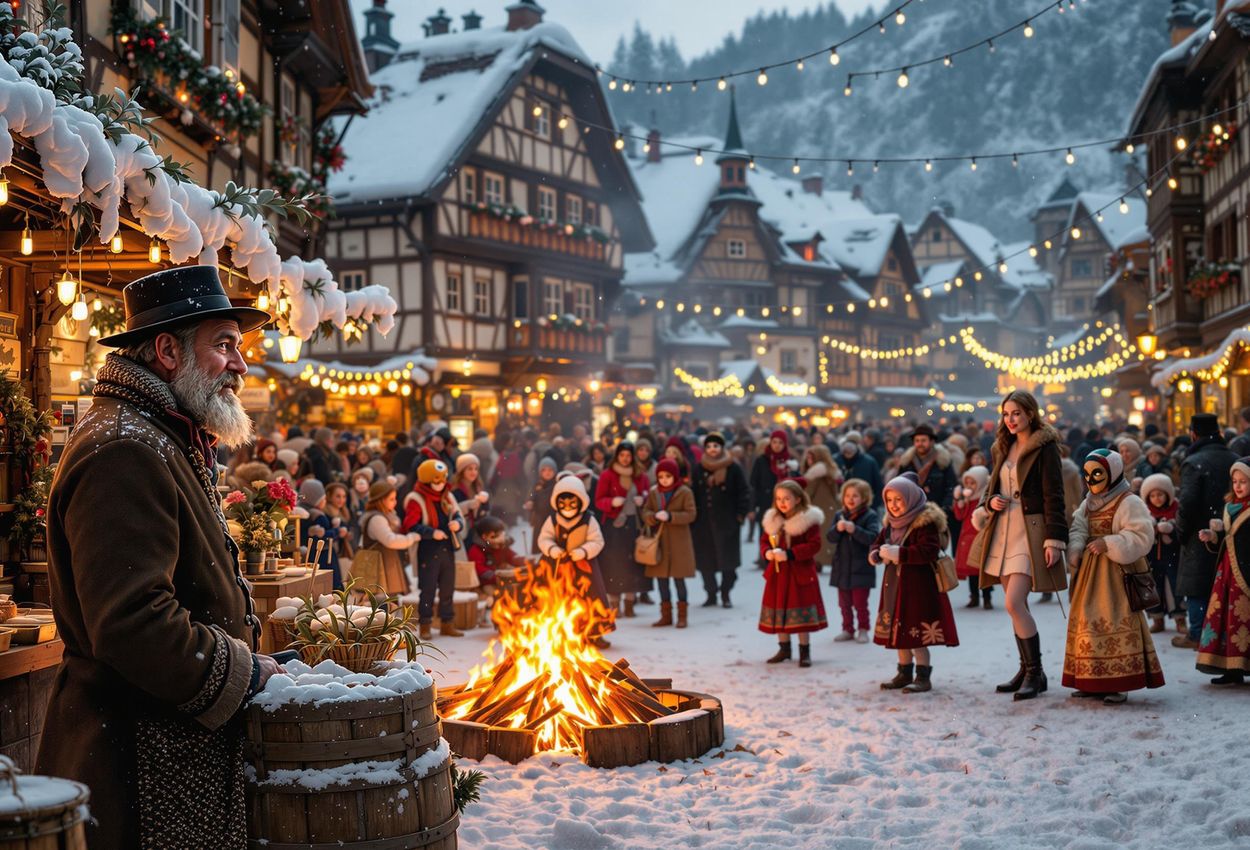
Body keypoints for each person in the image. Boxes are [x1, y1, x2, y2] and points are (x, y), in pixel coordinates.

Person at [37, 265, 277, 848]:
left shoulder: (156, 434)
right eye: (224, 345)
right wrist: (245, 672)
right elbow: (133, 623)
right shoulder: (125, 447)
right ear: (167, 351)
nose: (240, 365)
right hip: (133, 767)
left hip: (156, 749)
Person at [969, 391, 1068, 701]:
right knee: (1016, 608)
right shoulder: (1003, 446)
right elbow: (991, 487)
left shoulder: (1045, 448)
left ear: (1029, 413)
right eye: (1006, 413)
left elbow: (1055, 495)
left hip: (1031, 530)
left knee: (1014, 603)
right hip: (1003, 529)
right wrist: (990, 503)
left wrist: (1055, 539)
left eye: (1016, 413)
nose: (1010, 419)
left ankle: (1036, 672)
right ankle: (1026, 669)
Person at [1063, 449, 1165, 704]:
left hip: (1117, 576)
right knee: (1088, 623)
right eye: (1087, 474)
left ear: (1113, 473)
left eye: (1097, 473)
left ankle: (1119, 682)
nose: (1091, 479)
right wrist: (1076, 549)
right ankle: (1091, 680)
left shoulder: (1129, 502)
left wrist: (1109, 543)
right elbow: (1078, 526)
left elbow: (1142, 535)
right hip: (1090, 574)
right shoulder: (1088, 502)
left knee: (1115, 619)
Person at [869, 474, 959, 693]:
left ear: (911, 499)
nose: (894, 505)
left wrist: (901, 553)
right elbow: (878, 543)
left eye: (898, 500)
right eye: (889, 500)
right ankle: (904, 672)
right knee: (899, 634)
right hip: (895, 587)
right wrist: (876, 554)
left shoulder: (924, 524)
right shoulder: (890, 525)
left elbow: (928, 551)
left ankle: (922, 675)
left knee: (916, 634)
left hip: (918, 589)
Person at [1175, 413, 1238, 649]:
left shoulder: (1194, 461)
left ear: (1193, 433)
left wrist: (1182, 531)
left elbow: (1187, 503)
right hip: (1231, 531)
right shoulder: (1234, 457)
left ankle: (1197, 633)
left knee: (1196, 585)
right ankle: (1220, 635)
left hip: (1198, 534)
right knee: (1222, 586)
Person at [537, 473, 614, 648]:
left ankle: (595, 633)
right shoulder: (552, 519)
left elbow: (597, 541)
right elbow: (544, 538)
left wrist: (583, 551)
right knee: (558, 599)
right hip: (557, 567)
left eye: (572, 503)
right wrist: (552, 549)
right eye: (563, 504)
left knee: (591, 600)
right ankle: (561, 633)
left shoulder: (589, 519)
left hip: (584, 568)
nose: (567, 508)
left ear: (580, 501)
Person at [760, 480, 828, 668]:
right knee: (780, 609)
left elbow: (814, 545)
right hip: (778, 574)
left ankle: (804, 650)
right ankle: (784, 648)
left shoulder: (807, 520)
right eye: (779, 498)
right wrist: (767, 552)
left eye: (787, 498)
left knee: (799, 611)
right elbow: (765, 541)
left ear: (798, 499)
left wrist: (790, 554)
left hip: (799, 573)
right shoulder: (773, 520)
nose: (782, 502)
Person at [1194, 456, 1250, 684]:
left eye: (1244, 481)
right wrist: (1213, 536)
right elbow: (1227, 540)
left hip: (1245, 572)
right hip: (1226, 572)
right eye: (1235, 481)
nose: (1237, 485)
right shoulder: (1229, 507)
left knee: (1244, 618)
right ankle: (1231, 668)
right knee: (1226, 618)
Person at [403, 458, 465, 639]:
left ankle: (447, 622)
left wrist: (457, 524)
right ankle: (425, 624)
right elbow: (410, 525)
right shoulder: (416, 498)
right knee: (428, 588)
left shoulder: (447, 495)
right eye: (436, 480)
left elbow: (458, 514)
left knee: (448, 587)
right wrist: (431, 532)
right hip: (428, 549)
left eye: (442, 479)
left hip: (447, 547)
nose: (440, 484)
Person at [691, 432, 751, 608]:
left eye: (716, 446)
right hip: (703, 524)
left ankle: (726, 593)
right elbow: (693, 493)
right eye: (709, 446)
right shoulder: (699, 468)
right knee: (705, 563)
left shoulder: (733, 468)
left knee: (728, 563)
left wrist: (740, 515)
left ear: (722, 448)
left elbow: (744, 492)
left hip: (727, 522)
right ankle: (711, 593)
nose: (712, 449)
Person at [595, 441, 650, 616]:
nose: (625, 459)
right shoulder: (607, 475)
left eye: (628, 456)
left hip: (635, 525)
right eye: (622, 455)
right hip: (614, 527)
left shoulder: (640, 475)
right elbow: (598, 500)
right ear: (617, 456)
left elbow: (648, 495)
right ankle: (614, 603)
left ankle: (630, 602)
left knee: (633, 563)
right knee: (614, 564)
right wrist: (611, 502)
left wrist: (643, 499)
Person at [641, 458, 697, 628]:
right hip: (660, 543)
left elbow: (691, 514)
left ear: (675, 476)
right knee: (662, 581)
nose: (664, 479)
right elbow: (645, 511)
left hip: (679, 543)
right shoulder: (654, 492)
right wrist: (652, 517)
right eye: (661, 476)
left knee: (679, 580)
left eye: (668, 476)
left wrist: (672, 516)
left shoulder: (684, 492)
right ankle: (666, 615)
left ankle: (682, 615)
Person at [826, 478, 880, 643]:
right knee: (844, 603)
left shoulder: (870, 516)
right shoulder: (839, 515)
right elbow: (830, 537)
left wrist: (855, 530)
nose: (850, 499)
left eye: (855, 496)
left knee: (860, 603)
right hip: (842, 568)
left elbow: (872, 537)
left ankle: (863, 629)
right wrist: (838, 529)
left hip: (861, 568)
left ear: (864, 498)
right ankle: (847, 628)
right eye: (847, 495)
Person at [359, 479, 421, 596]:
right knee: (383, 601)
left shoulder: (388, 516)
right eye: (391, 499)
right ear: (381, 500)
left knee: (391, 600)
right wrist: (411, 538)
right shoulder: (377, 519)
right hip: (380, 568)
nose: (395, 502)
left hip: (388, 564)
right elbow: (390, 540)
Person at [1141, 473, 1184, 634]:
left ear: (1168, 494)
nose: (1157, 498)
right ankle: (1157, 619)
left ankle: (1180, 618)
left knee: (1174, 588)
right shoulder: (1145, 513)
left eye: (1160, 494)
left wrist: (1171, 530)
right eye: (1152, 495)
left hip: (1172, 557)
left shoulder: (1176, 509)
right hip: (1152, 559)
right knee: (1153, 589)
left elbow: (1181, 531)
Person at [751, 431, 799, 565]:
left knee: (785, 534)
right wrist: (752, 507)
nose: (777, 445)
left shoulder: (790, 462)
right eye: (774, 442)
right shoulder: (762, 460)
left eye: (780, 442)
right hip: (766, 504)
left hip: (787, 505)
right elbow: (754, 484)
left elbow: (798, 483)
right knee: (767, 533)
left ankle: (783, 558)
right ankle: (766, 559)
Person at [953, 465, 992, 609]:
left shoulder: (984, 498)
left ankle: (987, 596)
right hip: (966, 540)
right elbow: (959, 516)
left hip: (980, 538)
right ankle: (974, 596)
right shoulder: (968, 499)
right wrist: (959, 503)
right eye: (967, 483)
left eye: (973, 483)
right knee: (971, 572)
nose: (969, 486)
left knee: (983, 570)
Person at [898, 423, 957, 514]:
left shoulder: (942, 461)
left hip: (937, 511)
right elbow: (899, 486)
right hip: (911, 511)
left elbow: (951, 486)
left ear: (932, 441)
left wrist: (945, 508)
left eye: (923, 440)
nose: (920, 444)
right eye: (917, 441)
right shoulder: (906, 462)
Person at [802, 444, 843, 570]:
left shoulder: (814, 475)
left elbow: (808, 493)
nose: (808, 461)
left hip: (818, 508)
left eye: (811, 458)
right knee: (825, 537)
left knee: (819, 537)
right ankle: (824, 560)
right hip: (829, 508)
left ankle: (819, 561)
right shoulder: (831, 472)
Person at [298, 479, 343, 589]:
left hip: (308, 556)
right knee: (331, 586)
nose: (325, 501)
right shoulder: (318, 515)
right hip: (324, 556)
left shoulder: (300, 511)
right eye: (323, 498)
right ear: (316, 499)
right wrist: (337, 531)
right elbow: (324, 535)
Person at [524, 456, 559, 554]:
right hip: (539, 518)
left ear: (555, 471)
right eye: (544, 470)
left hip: (553, 517)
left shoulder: (557, 484)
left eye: (550, 470)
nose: (547, 472)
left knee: (552, 540)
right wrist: (530, 502)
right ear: (540, 472)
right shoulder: (537, 485)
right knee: (539, 540)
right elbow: (532, 496)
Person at [836, 438, 884, 509]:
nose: (848, 456)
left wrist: (873, 504)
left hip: (865, 505)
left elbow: (878, 485)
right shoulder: (836, 461)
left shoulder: (869, 462)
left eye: (850, 453)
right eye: (846, 453)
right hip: (842, 505)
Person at [451, 452, 490, 536]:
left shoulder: (478, 487)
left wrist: (485, 501)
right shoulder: (455, 490)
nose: (474, 472)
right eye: (470, 469)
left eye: (476, 469)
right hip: (463, 532)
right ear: (462, 470)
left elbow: (485, 510)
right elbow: (454, 511)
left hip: (477, 530)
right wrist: (470, 504)